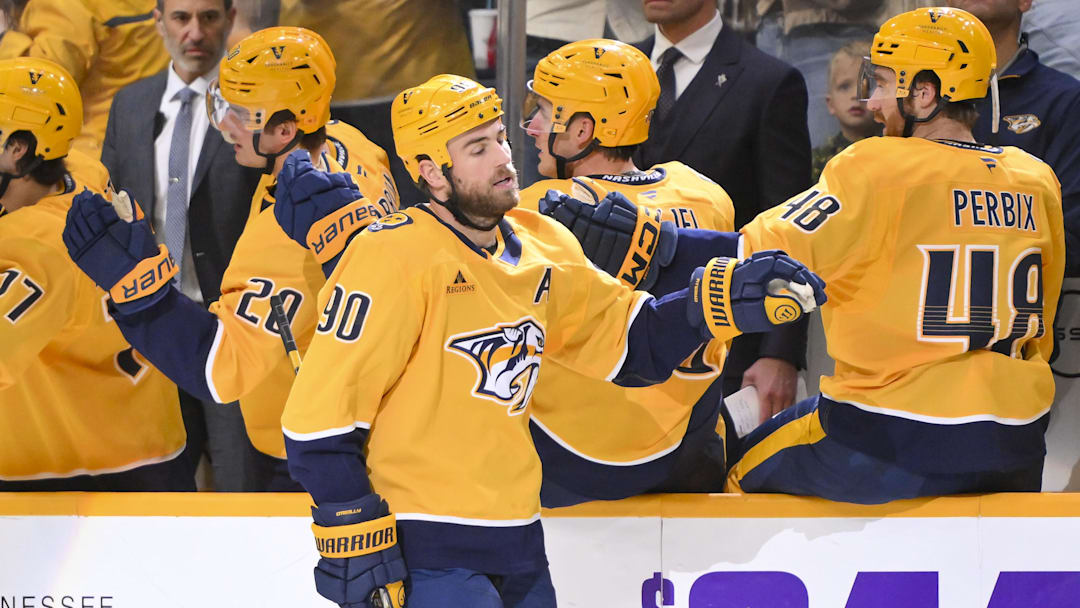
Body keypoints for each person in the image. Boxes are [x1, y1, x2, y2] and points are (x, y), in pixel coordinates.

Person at [272, 74, 824, 607]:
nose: (504, 158)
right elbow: (318, 419)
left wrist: (712, 302)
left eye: (500, 139)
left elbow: (630, 343)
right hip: (425, 541)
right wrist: (351, 523)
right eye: (477, 149)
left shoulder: (541, 242)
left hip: (519, 540)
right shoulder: (391, 254)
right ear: (431, 174)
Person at [543, 7, 1064, 504]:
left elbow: (761, 257)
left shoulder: (877, 166)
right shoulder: (1036, 179)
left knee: (731, 474)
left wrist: (657, 245)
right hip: (1017, 439)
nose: (873, 104)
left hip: (895, 434)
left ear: (923, 94)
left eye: (881, 84)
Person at [62, 27, 398, 492]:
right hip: (372, 426)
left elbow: (220, 368)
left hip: (309, 450)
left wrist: (140, 293)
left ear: (284, 129)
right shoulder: (353, 144)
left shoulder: (282, 234)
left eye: (239, 113)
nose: (224, 125)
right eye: (221, 103)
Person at [516, 38, 735, 505]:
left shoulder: (538, 210)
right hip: (691, 457)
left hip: (573, 464)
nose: (533, 126)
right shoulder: (706, 195)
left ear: (581, 131)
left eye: (545, 110)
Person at [0, 57, 187, 490]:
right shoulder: (82, 172)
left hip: (84, 472)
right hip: (139, 438)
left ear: (23, 150)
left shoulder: (37, 249)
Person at [102, 0, 262, 490]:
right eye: (181, 18)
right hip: (151, 332)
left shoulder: (256, 107)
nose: (196, 32)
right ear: (158, 22)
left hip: (229, 331)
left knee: (239, 488)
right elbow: (114, 207)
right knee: (155, 494)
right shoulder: (129, 105)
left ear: (231, 19)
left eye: (209, 17)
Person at [635, 0, 813, 416]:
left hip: (728, 343)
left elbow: (788, 225)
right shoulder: (605, 69)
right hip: (618, 346)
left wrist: (781, 353)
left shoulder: (770, 82)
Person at [945, 0, 1080, 492]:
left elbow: (1070, 228)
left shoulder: (1065, 100)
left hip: (1020, 360)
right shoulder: (914, 96)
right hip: (912, 356)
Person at [0, 0, 169, 158]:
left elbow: (39, 85)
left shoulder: (67, 5)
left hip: (88, 155)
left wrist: (4, 40)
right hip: (152, 138)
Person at [811, 39, 881, 181]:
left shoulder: (893, 153)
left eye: (866, 86)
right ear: (830, 104)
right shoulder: (819, 161)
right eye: (844, 86)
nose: (856, 95)